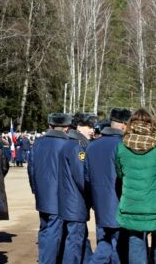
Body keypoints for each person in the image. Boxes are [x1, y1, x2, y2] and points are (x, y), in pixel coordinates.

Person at [115, 108, 156, 264]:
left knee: (135, 243)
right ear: (151, 124)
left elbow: (120, 174)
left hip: (132, 204)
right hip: (155, 204)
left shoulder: (122, 148)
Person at [86, 108, 130, 264]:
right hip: (120, 204)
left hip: (99, 204)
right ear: (124, 124)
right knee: (119, 247)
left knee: (104, 243)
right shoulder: (123, 146)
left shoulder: (92, 145)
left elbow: (87, 178)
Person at [29, 112, 72, 264]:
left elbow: (31, 169)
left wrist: (35, 189)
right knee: (54, 232)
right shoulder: (68, 144)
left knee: (45, 228)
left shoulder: (38, 143)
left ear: (50, 126)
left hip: (42, 194)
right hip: (59, 196)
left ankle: (43, 257)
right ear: (66, 127)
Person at [59, 113, 96, 264]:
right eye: (89, 126)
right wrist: (94, 197)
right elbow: (82, 177)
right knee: (74, 242)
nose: (92, 130)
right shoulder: (77, 147)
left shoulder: (70, 143)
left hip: (71, 202)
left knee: (80, 238)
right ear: (79, 127)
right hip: (76, 203)